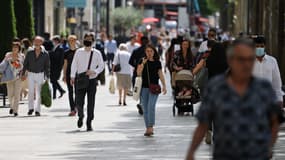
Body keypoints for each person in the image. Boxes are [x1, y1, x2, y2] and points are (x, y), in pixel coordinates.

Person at [186, 38, 281, 160]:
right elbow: (203, 124)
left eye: (249, 60)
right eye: (241, 60)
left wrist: (269, 146)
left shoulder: (263, 89)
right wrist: (191, 151)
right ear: (231, 61)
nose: (246, 64)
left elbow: (274, 121)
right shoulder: (216, 88)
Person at [70, 33, 104, 131]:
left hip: (92, 80)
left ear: (93, 41)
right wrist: (72, 76)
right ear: (83, 40)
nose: (88, 41)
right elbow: (74, 64)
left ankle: (89, 122)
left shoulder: (97, 53)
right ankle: (81, 116)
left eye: (90, 39)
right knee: (78, 101)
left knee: (91, 102)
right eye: (86, 39)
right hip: (80, 79)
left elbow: (101, 66)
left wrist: (94, 71)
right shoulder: (78, 52)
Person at [137, 45, 167, 136]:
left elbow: (160, 74)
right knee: (145, 109)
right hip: (144, 88)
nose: (149, 53)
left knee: (151, 107)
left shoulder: (157, 62)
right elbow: (138, 73)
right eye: (147, 51)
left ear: (154, 52)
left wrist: (164, 85)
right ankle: (148, 128)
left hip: (154, 88)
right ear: (145, 52)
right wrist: (143, 64)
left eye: (151, 51)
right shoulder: (142, 61)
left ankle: (150, 127)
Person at [21, 36, 50, 116]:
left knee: (38, 93)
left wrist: (47, 77)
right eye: (35, 42)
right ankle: (30, 108)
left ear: (41, 43)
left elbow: (47, 66)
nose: (37, 43)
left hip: (40, 74)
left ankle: (37, 110)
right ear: (33, 42)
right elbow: (25, 64)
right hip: (31, 74)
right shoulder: (30, 52)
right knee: (30, 91)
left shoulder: (45, 53)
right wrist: (23, 73)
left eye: (38, 42)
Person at [252, 36, 283, 105]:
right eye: (257, 46)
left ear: (265, 47)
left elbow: (277, 83)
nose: (259, 48)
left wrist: (280, 99)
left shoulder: (272, 61)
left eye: (262, 46)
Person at [0, 42, 25, 116]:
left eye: (16, 47)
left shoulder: (22, 56)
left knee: (17, 94)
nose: (14, 49)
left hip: (18, 77)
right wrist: (6, 60)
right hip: (9, 77)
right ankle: (12, 106)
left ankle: (15, 110)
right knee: (10, 94)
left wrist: (17, 64)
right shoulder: (8, 54)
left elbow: (23, 66)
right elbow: (3, 64)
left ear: (19, 48)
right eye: (13, 47)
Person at [129, 36, 149, 115]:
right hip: (147, 73)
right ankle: (143, 104)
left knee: (139, 87)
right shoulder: (150, 51)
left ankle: (141, 103)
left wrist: (136, 65)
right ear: (147, 41)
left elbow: (130, 61)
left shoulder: (136, 50)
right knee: (146, 88)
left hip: (137, 73)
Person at [63, 35, 78, 116]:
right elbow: (65, 64)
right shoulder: (66, 52)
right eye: (70, 40)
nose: (71, 42)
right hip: (69, 73)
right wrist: (64, 75)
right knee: (70, 91)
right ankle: (72, 109)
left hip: (77, 74)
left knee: (77, 91)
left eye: (73, 40)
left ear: (76, 41)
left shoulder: (79, 51)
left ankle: (76, 107)